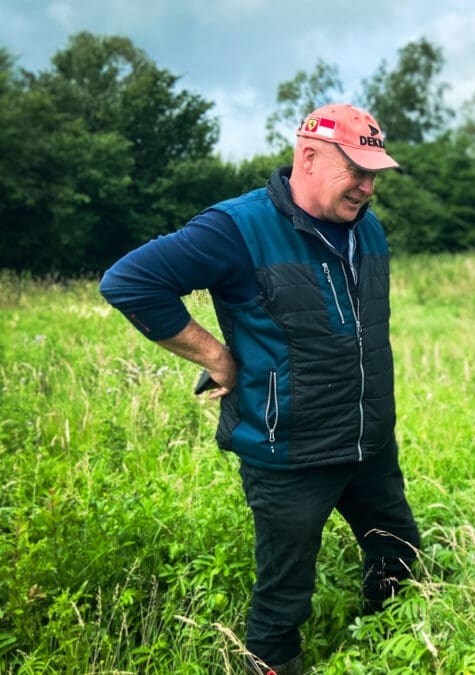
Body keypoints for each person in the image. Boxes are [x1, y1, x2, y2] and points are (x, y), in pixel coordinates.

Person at [100, 104, 421, 675]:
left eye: (375, 175)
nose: (368, 188)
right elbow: (130, 281)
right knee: (283, 598)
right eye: (356, 171)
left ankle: (390, 645)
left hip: (368, 442)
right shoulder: (237, 229)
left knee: (400, 555)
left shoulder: (366, 228)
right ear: (309, 157)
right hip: (289, 453)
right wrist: (216, 357)